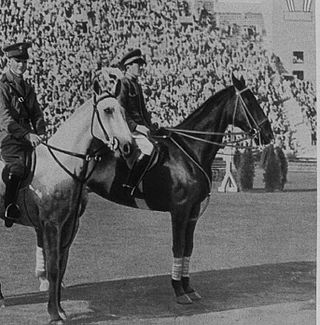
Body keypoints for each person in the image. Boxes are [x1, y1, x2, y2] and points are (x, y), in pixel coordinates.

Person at [0, 41, 46, 226]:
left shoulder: (27, 87)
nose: (21, 65)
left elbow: (36, 113)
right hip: (9, 138)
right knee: (18, 167)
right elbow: (5, 120)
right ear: (8, 61)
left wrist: (41, 132)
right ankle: (10, 206)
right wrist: (28, 135)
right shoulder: (2, 86)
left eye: (24, 61)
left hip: (29, 138)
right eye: (17, 61)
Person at [115, 49, 156, 196]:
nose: (140, 67)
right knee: (149, 149)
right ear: (128, 66)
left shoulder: (136, 85)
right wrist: (136, 126)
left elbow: (143, 111)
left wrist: (150, 125)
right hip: (129, 129)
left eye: (140, 64)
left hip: (141, 129)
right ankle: (129, 185)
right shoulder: (123, 83)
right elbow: (121, 110)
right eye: (137, 64)